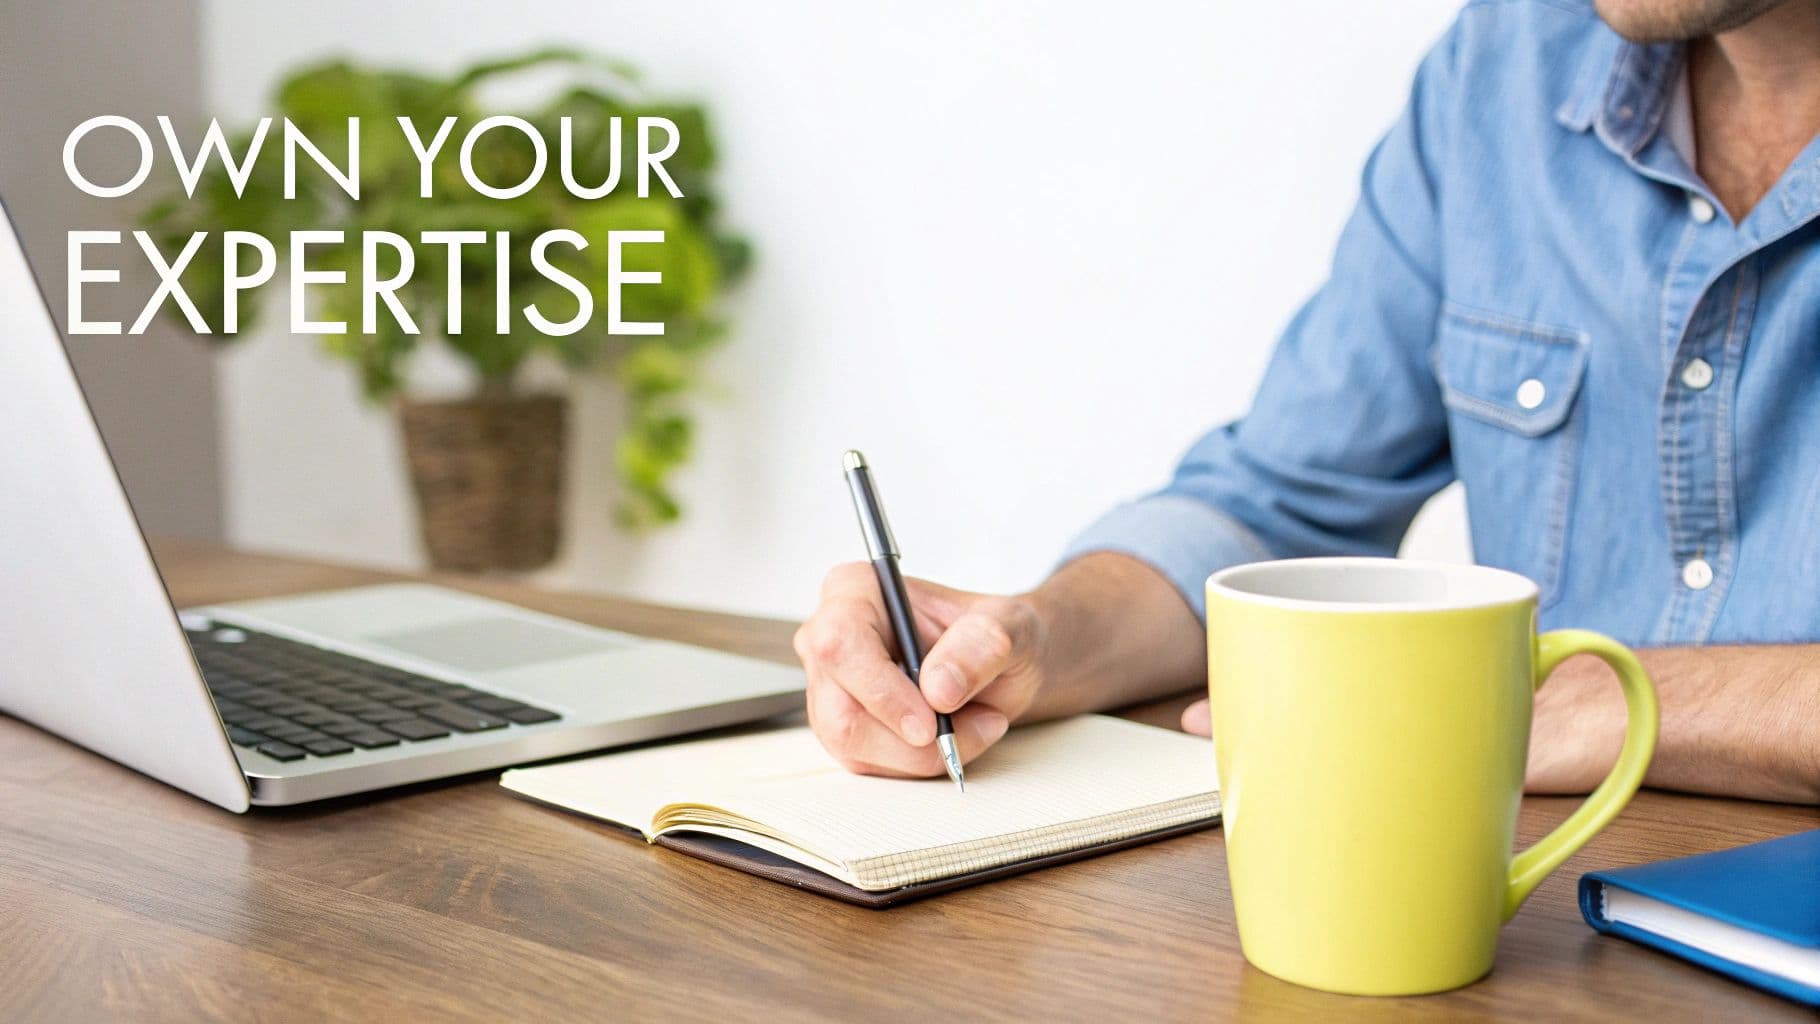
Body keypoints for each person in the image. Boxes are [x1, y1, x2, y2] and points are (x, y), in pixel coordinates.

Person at [795, 0, 1820, 804]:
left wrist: (1616, 705)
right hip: (1529, 903)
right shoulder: (1499, 70)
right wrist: (1026, 639)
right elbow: (1277, 506)